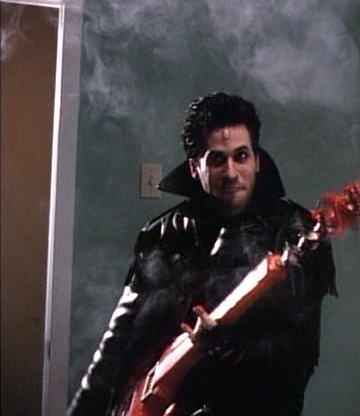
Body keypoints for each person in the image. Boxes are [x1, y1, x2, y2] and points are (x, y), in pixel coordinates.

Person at [67, 92, 336, 416]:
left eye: (241, 156)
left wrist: (235, 347)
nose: (232, 172)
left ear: (257, 160)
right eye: (217, 159)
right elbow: (118, 343)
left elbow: (300, 351)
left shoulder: (295, 231)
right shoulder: (165, 234)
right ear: (195, 167)